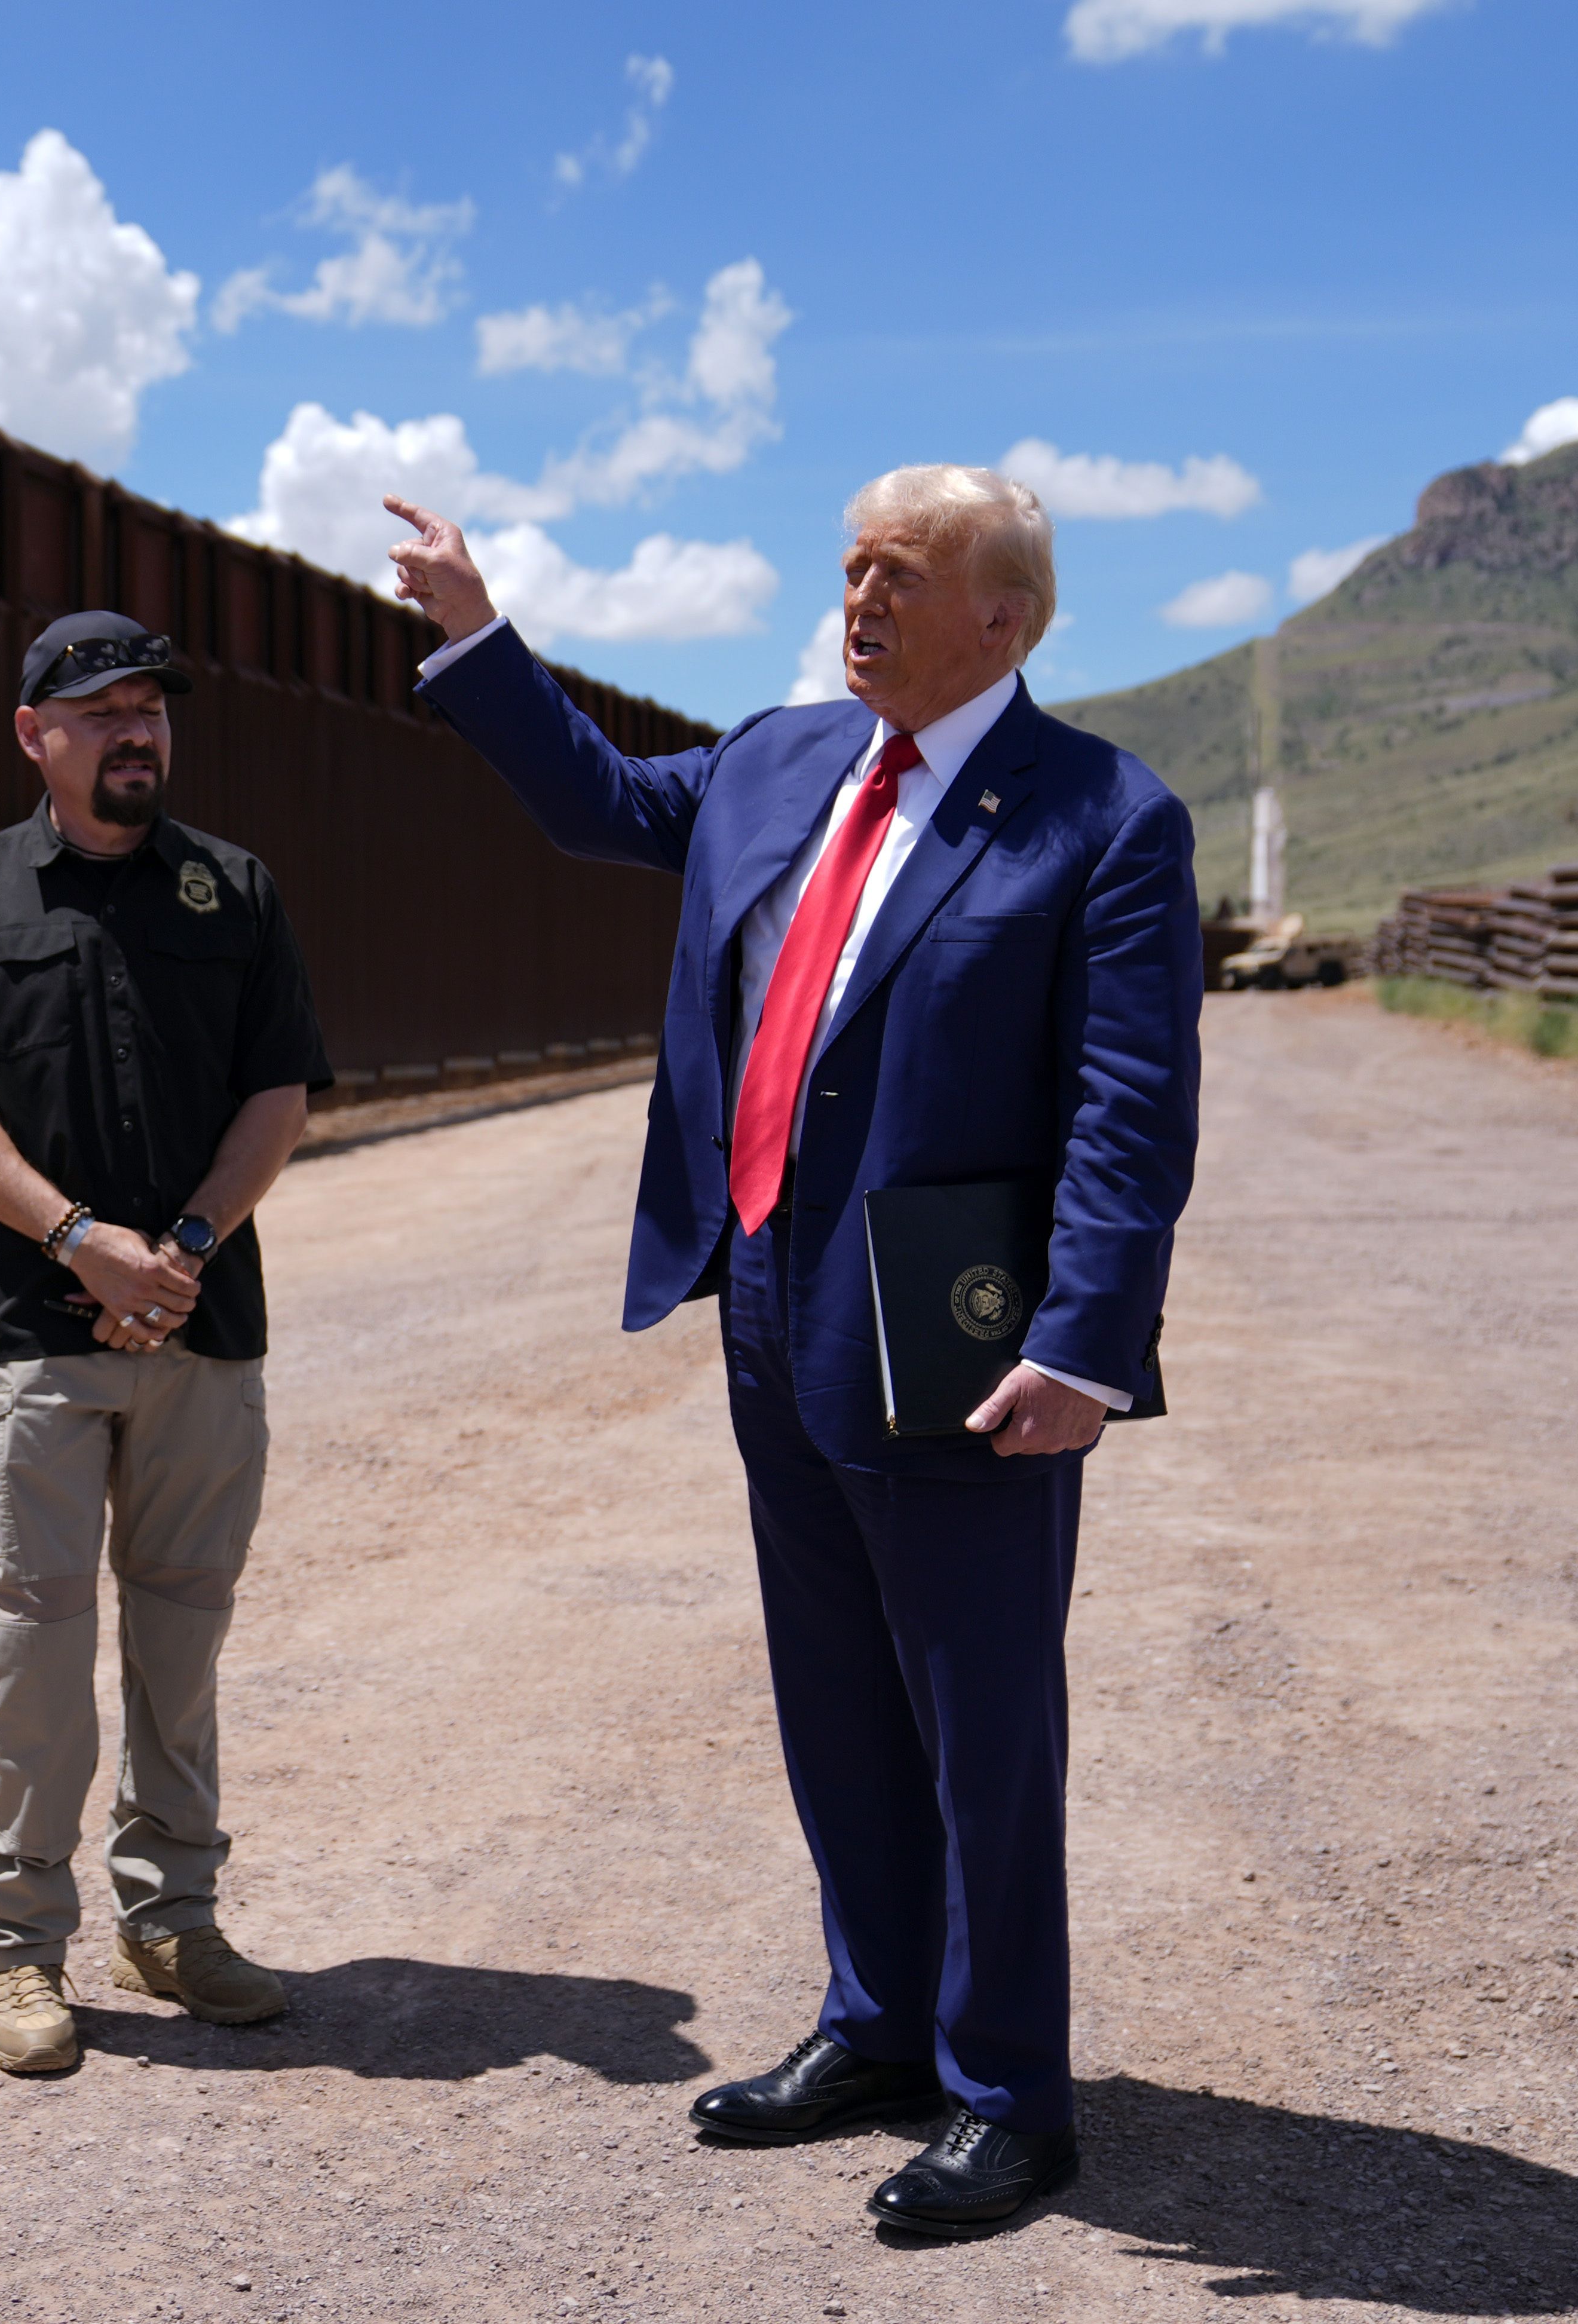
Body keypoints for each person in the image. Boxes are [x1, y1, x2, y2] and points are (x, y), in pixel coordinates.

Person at [387, 469, 1199, 2234]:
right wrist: (477, 638)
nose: (859, 600)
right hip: (768, 1299)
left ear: (1005, 618)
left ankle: (1009, 2092)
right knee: (833, 1697)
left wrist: (1086, 1339)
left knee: (980, 1719)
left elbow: (1129, 1111)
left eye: (898, 575)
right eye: (848, 569)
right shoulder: (776, 758)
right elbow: (601, 803)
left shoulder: (1102, 819)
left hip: (958, 1324)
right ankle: (879, 2024)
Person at [0, 610, 333, 2075]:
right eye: (104, 709)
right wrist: (83, 1241)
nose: (138, 730)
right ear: (37, 735)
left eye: (152, 708)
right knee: (34, 1654)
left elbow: (279, 1093)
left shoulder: (234, 888)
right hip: (32, 1337)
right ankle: (22, 1950)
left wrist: (184, 1247)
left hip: (203, 1326)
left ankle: (175, 1920)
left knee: (182, 1644)